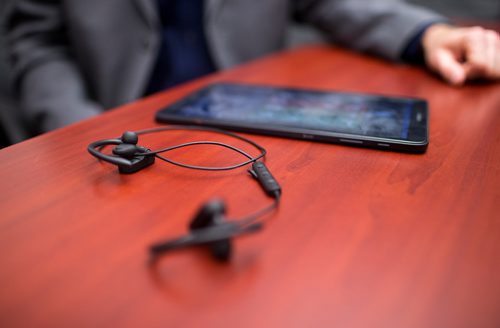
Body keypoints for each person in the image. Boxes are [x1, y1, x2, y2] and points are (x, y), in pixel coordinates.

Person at [5, 0, 500, 135]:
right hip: (112, 132)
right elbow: (36, 39)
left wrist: (426, 35)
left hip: (250, 124)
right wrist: (76, 128)